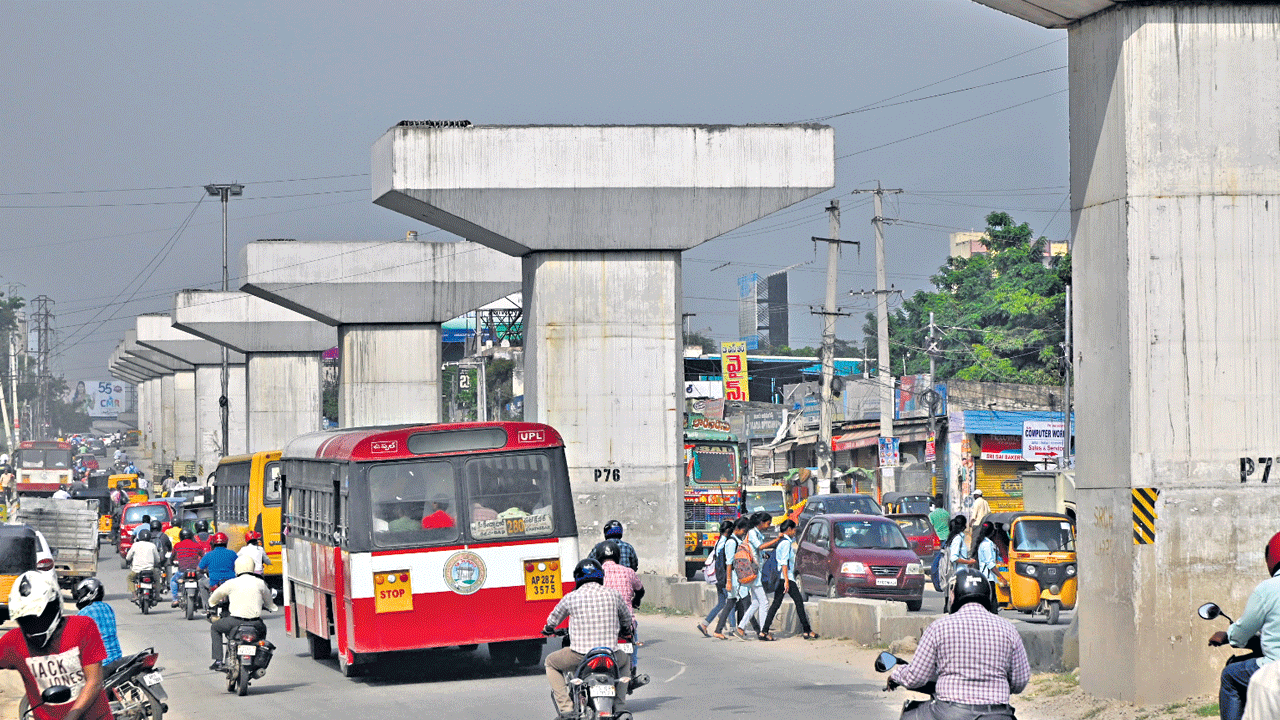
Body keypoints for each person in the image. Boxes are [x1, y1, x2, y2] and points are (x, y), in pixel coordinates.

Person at [889, 569, 1030, 719]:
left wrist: (896, 676)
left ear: (954, 595)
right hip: (998, 714)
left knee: (910, 714)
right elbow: (1019, 682)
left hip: (951, 712)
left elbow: (915, 676)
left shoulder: (939, 627)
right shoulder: (1008, 629)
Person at [0, 571, 113, 720]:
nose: (33, 625)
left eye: (39, 617)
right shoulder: (13, 642)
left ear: (54, 606)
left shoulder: (83, 627)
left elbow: (94, 681)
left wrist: (72, 716)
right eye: (26, 619)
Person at [542, 559, 633, 720]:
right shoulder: (614, 594)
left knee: (550, 662)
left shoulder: (571, 597)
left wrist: (548, 629)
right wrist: (626, 631)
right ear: (600, 576)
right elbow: (626, 620)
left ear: (578, 578)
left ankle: (566, 708)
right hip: (609, 655)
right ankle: (619, 706)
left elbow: (553, 619)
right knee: (626, 660)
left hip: (580, 656)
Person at [1210, 530, 1280, 720]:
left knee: (1229, 676)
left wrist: (1228, 635)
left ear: (1272, 558)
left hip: (1276, 667)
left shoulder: (1267, 589)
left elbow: (1244, 630)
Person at [207, 556, 277, 671]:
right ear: (252, 567)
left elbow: (216, 595)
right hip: (255, 623)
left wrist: (211, 603)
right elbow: (269, 601)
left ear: (237, 568)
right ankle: (259, 657)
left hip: (234, 622)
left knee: (215, 628)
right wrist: (271, 607)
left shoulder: (231, 583)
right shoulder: (260, 583)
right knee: (263, 631)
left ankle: (218, 660)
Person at [761, 519, 817, 640]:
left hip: (782, 578)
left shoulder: (782, 542)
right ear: (789, 530)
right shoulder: (786, 543)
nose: (795, 531)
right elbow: (784, 563)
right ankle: (807, 630)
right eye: (793, 529)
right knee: (798, 602)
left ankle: (764, 631)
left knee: (776, 604)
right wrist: (786, 580)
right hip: (786, 578)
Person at [598, 540, 645, 681]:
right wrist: (636, 600)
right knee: (633, 639)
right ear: (618, 556)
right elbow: (640, 590)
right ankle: (633, 667)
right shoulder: (628, 572)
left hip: (603, 624)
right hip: (626, 624)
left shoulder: (596, 574)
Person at [713, 517, 752, 640]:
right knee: (747, 603)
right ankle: (744, 629)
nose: (745, 533)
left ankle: (721, 629)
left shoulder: (737, 540)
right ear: (738, 529)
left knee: (734, 603)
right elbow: (729, 563)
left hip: (738, 578)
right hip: (734, 579)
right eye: (744, 530)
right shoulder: (731, 542)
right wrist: (729, 581)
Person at [697, 520, 736, 638]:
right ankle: (733, 628)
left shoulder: (718, 542)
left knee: (721, 603)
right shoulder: (727, 543)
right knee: (731, 602)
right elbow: (727, 562)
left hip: (718, 577)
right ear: (729, 531)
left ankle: (705, 624)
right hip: (724, 577)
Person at [73, 579, 122, 667]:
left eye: (81, 594)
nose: (79, 597)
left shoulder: (84, 612)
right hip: (117, 658)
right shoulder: (108, 608)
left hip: (101, 663)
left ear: (90, 593)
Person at [197, 533, 238, 609]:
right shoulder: (232, 553)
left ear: (213, 543)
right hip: (230, 583)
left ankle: (207, 608)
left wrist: (204, 571)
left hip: (214, 583)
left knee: (201, 583)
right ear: (226, 542)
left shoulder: (208, 555)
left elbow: (199, 569)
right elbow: (238, 565)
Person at [170, 529, 206, 607]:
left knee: (173, 580)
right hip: (196, 571)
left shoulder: (177, 545)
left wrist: (172, 562)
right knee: (204, 581)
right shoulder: (197, 545)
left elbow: (172, 557)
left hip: (182, 571)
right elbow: (204, 557)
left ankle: (175, 600)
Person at [124, 529, 162, 596]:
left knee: (129, 579)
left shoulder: (135, 545)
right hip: (150, 570)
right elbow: (158, 559)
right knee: (157, 579)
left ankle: (134, 595)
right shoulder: (152, 545)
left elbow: (128, 557)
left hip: (137, 570)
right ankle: (157, 595)